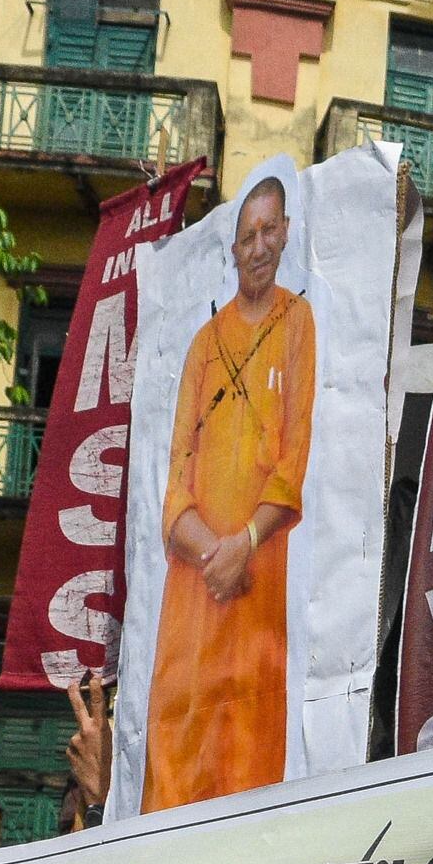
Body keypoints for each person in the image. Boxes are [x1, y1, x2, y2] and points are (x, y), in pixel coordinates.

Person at [146, 165, 316, 812]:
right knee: (178, 743)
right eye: (248, 234)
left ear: (287, 235)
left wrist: (246, 542)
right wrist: (211, 552)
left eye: (270, 230)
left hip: (257, 584)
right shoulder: (202, 344)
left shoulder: (299, 324)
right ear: (234, 247)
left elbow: (294, 454)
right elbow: (176, 482)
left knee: (247, 750)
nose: (259, 245)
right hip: (193, 589)